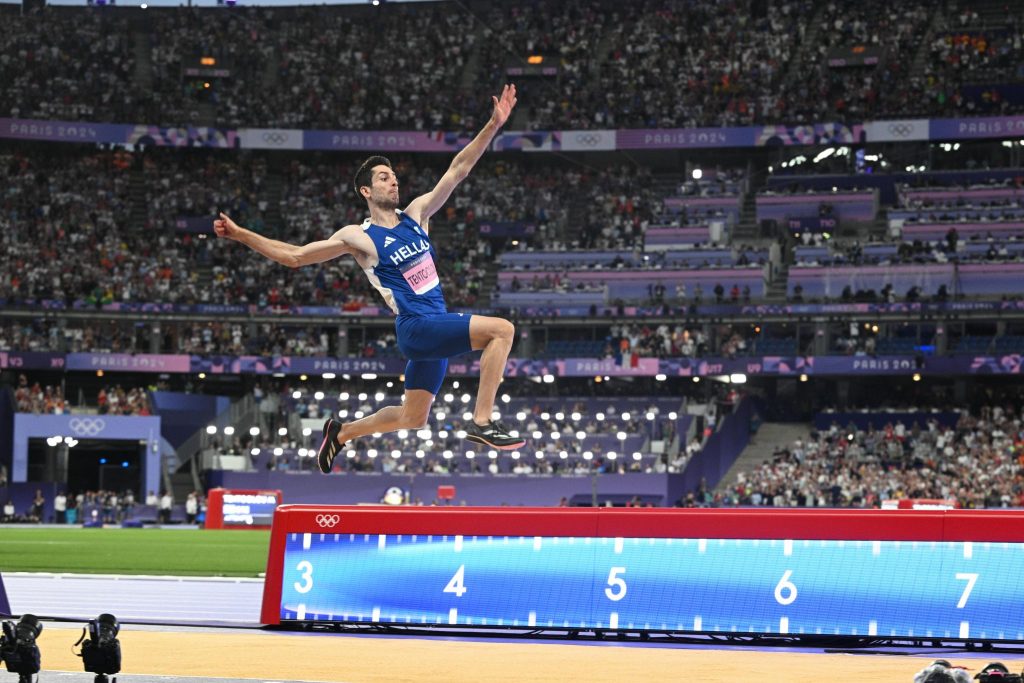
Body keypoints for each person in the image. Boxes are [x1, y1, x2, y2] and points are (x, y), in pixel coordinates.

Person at [215, 84, 526, 474]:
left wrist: (493, 125)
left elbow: (458, 169)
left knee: (413, 417)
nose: (393, 181)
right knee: (502, 330)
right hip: (416, 327)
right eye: (383, 178)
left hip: (435, 328)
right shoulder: (359, 237)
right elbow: (295, 256)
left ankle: (341, 432)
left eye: (394, 176)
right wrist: (241, 235)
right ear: (366, 190)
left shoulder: (417, 215)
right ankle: (482, 421)